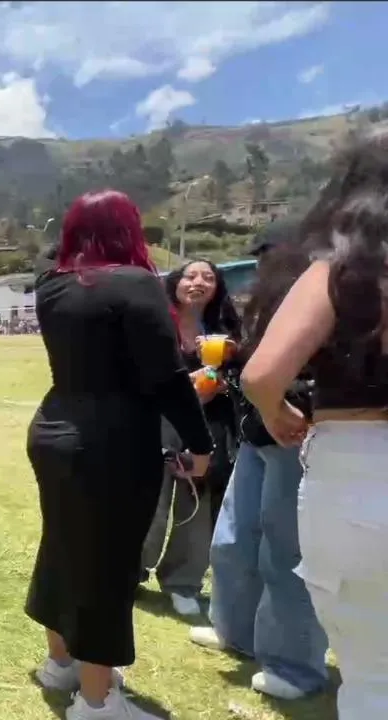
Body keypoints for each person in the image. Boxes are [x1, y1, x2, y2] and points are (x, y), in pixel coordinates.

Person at [26, 189, 213, 720]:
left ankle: (61, 664)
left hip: (54, 430)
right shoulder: (136, 283)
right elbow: (168, 378)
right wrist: (200, 444)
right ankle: (97, 700)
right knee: (107, 567)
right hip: (112, 441)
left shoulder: (51, 285)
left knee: (62, 548)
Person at [242, 128, 388, 719]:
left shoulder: (339, 272)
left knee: (372, 677)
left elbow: (261, 375)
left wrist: (275, 412)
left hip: (356, 469)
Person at [186, 219, 329, 701]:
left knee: (285, 551)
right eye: (262, 257)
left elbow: (329, 372)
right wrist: (234, 357)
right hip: (256, 435)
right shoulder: (268, 305)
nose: (265, 266)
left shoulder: (324, 299)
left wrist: (289, 400)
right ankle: (235, 631)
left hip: (294, 436)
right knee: (233, 538)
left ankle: (295, 665)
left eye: (272, 256)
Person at [140, 259, 243, 616]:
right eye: (191, 276)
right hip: (158, 418)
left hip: (208, 422)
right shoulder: (156, 320)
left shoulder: (225, 329)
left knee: (196, 499)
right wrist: (185, 384)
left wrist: (227, 372)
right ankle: (132, 570)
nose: (199, 282)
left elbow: (242, 374)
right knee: (148, 496)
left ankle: (182, 582)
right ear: (176, 283)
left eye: (208, 278)